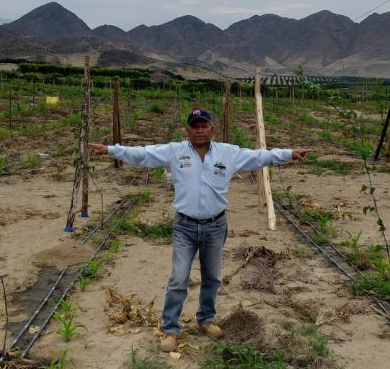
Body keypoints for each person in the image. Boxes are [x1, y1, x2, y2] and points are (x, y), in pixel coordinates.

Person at [90, 108, 312, 352]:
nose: (199, 130)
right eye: (194, 126)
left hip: (215, 225)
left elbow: (260, 157)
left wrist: (289, 154)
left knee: (212, 276)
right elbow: (144, 154)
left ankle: (206, 319)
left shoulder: (228, 153)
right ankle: (170, 329)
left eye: (203, 126)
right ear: (188, 130)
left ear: (211, 129)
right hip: (184, 226)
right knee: (178, 278)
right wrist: (111, 150)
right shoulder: (176, 152)